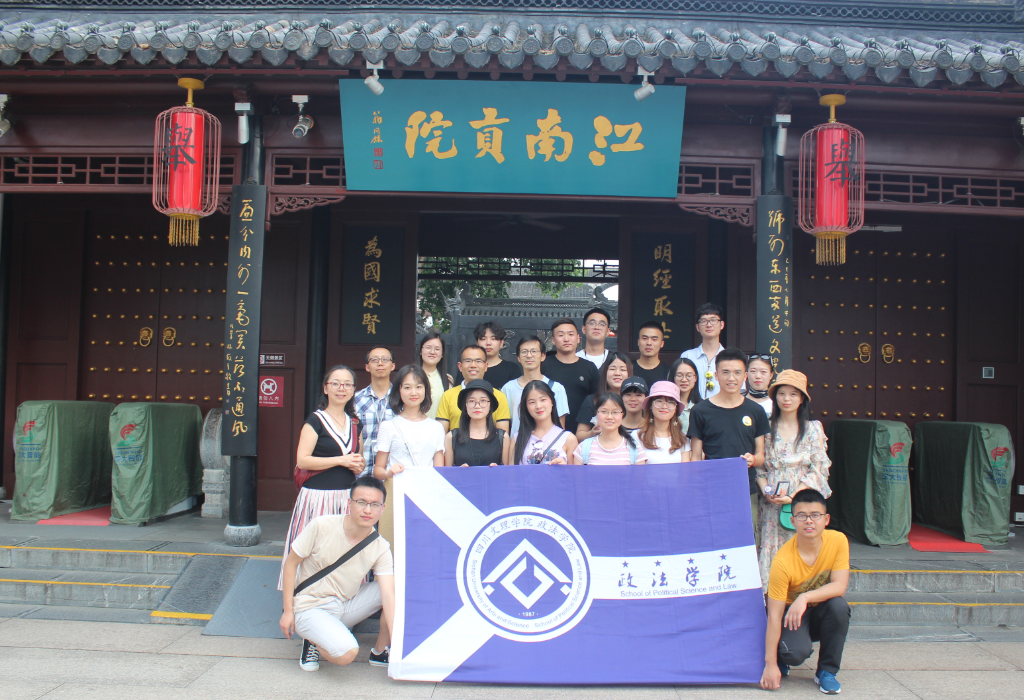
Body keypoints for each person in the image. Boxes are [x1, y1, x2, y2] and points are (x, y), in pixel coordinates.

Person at [280, 475, 395, 673]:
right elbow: (291, 564)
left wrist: (398, 644)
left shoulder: (380, 546)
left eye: (375, 505)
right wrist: (288, 611)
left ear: (382, 508)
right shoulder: (322, 526)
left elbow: (388, 596)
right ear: (349, 503)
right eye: (361, 502)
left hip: (344, 605)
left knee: (398, 587)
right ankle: (313, 640)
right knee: (346, 654)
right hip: (310, 606)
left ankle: (379, 652)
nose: (368, 510)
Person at [280, 365, 365, 589]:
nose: (341, 388)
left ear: (353, 390)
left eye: (347, 384)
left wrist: (358, 464)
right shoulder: (315, 420)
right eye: (335, 383)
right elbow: (303, 460)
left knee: (344, 550)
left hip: (346, 497)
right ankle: (304, 595)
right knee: (314, 549)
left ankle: (343, 597)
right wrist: (341, 460)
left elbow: (359, 458)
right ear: (326, 388)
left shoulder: (355, 423)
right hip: (317, 497)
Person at [761, 489, 850, 695]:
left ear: (826, 519)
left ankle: (827, 672)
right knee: (793, 653)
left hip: (819, 611)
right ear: (792, 521)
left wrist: (805, 597)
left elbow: (839, 586)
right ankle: (783, 656)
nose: (809, 521)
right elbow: (774, 616)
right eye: (802, 516)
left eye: (815, 515)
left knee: (839, 606)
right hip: (790, 615)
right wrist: (770, 664)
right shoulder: (782, 561)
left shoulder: (838, 541)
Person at [756, 370, 832, 591]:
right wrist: (767, 491)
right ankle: (772, 600)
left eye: (793, 394)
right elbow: (760, 467)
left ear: (802, 399)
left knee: (801, 545)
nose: (786, 399)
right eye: (781, 393)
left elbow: (819, 467)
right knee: (771, 547)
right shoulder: (765, 429)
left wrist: (794, 496)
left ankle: (802, 599)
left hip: (803, 501)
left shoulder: (813, 429)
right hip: (772, 502)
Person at [687, 347, 769, 543]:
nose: (731, 378)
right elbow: (695, 457)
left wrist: (752, 459)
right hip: (710, 490)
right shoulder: (701, 410)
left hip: (745, 489)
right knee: (712, 540)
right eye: (725, 372)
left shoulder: (755, 411)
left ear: (745, 376)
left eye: (737, 372)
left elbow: (761, 456)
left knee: (746, 541)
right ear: (716, 375)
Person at [374, 365, 446, 476]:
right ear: (399, 390)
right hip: (398, 486)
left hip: (426, 485)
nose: (413, 393)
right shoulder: (388, 426)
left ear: (426, 389)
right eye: (407, 387)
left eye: (418, 387)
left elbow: (439, 471)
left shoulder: (436, 427)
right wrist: (389, 473)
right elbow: (378, 470)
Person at [501, 334, 569, 435]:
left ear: (543, 356)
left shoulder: (556, 388)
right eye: (524, 352)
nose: (529, 355)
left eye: (534, 351)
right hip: (517, 443)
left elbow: (560, 427)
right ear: (518, 358)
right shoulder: (508, 388)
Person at [542, 318, 600, 435]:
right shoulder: (543, 365)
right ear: (553, 340)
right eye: (561, 335)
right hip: (549, 432)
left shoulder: (589, 368)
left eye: (571, 334)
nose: (566, 339)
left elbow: (597, 400)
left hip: (582, 432)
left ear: (578, 338)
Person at [436, 345, 512, 433]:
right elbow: (441, 434)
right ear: (460, 366)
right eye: (468, 361)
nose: (473, 365)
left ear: (486, 366)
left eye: (478, 361)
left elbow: (502, 436)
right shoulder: (448, 395)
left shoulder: (499, 396)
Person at [444, 379, 512, 466]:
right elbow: (447, 471)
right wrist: (458, 471)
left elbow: (507, 471)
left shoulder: (502, 437)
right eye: (472, 401)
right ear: (466, 405)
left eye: (483, 401)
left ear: (490, 405)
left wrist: (497, 470)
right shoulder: (452, 437)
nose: (477, 406)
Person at [513, 380, 578, 465]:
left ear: (552, 402)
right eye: (532, 402)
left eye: (543, 400)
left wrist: (564, 469)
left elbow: (575, 472)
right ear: (526, 407)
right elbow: (510, 471)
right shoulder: (517, 439)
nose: (538, 406)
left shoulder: (568, 439)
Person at [572, 393, 647, 465]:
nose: (609, 417)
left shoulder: (635, 448)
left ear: (623, 414)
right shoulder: (583, 448)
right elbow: (577, 474)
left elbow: (640, 474)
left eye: (615, 412)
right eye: (604, 411)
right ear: (597, 413)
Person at [352, 346, 395, 472]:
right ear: (367, 367)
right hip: (361, 472)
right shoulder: (355, 400)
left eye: (385, 359)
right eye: (374, 360)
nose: (380, 363)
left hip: (393, 473)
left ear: (392, 366)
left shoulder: (402, 399)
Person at [575, 351, 633, 442]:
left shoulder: (634, 401)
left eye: (623, 369)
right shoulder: (592, 400)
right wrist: (592, 433)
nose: (617, 373)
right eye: (612, 369)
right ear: (605, 372)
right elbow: (579, 435)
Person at [635, 381, 691, 464]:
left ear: (676, 408)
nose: (664, 406)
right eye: (659, 401)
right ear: (650, 405)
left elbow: (685, 470)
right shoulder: (637, 436)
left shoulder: (683, 439)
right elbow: (639, 470)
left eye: (671, 402)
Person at [681, 303, 726, 400]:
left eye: (713, 320)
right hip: (692, 407)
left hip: (722, 408)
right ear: (697, 327)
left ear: (722, 325)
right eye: (704, 321)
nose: (709, 325)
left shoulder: (729, 358)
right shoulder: (687, 356)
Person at [418, 332, 454, 420]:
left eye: (437, 349)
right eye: (428, 348)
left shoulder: (447, 379)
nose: (432, 352)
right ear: (420, 351)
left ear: (442, 354)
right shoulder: (411, 376)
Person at [476, 321, 522, 388]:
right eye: (483, 339)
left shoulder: (512, 369)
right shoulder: (470, 367)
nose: (488, 343)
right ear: (477, 343)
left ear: (501, 343)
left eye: (493, 339)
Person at [667, 357, 702, 434]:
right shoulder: (665, 405)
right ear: (673, 377)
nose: (684, 380)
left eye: (689, 375)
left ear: (695, 378)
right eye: (679, 375)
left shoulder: (702, 407)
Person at [632, 321, 668, 388]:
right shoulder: (627, 369)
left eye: (654, 339)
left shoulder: (669, 372)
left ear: (662, 344)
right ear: (638, 342)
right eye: (645, 338)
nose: (649, 343)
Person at [745, 353, 775, 418]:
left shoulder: (777, 404)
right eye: (753, 371)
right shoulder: (738, 402)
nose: (758, 376)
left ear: (771, 375)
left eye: (763, 372)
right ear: (747, 374)